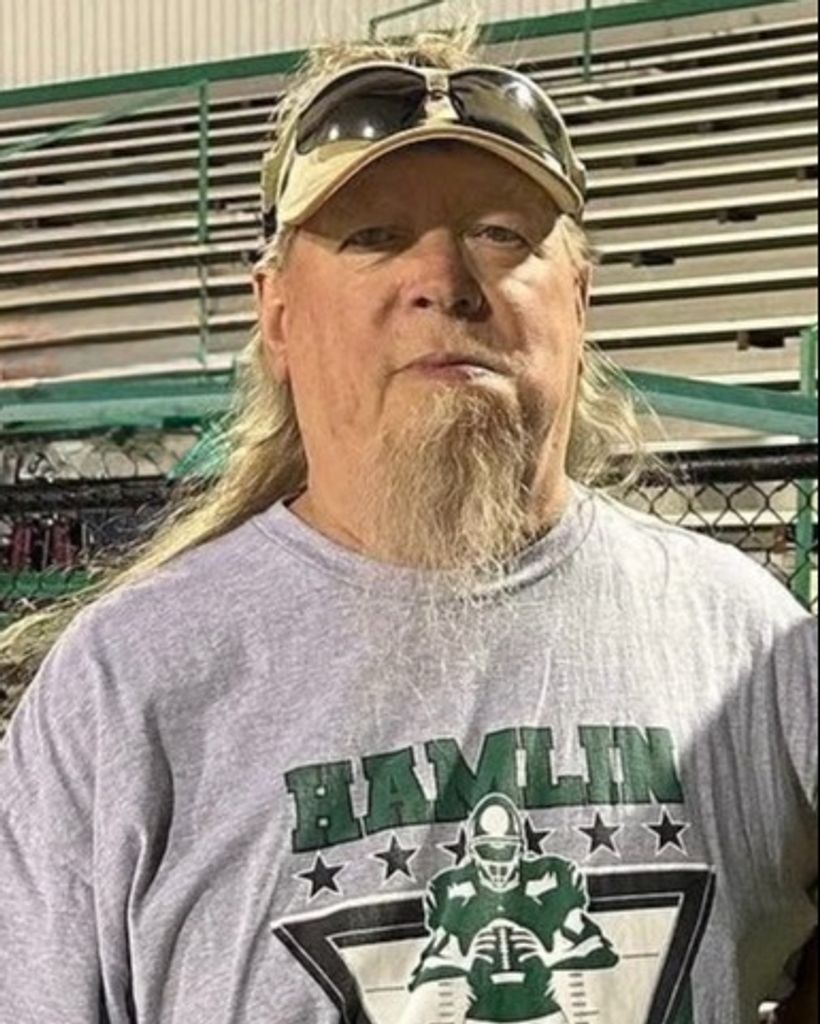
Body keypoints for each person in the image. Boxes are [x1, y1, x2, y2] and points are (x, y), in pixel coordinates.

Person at [0, 25, 816, 1024]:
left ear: (580, 297)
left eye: (502, 234)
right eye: (373, 236)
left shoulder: (750, 644)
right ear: (277, 312)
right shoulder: (126, 687)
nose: (443, 280)